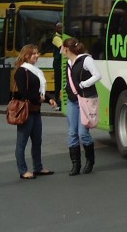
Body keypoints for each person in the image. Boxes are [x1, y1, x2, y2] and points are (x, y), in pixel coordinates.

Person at [12, 44, 57, 179]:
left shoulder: (35, 70)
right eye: (34, 54)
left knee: (37, 141)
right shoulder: (21, 71)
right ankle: (23, 170)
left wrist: (49, 99)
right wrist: (40, 99)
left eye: (37, 53)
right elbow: (24, 92)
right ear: (26, 55)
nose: (37, 56)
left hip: (36, 110)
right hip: (26, 110)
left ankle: (38, 167)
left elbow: (38, 90)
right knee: (22, 142)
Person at [61, 37, 100, 175]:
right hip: (73, 101)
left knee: (83, 133)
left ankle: (90, 159)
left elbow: (97, 75)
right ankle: (75, 164)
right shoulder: (68, 63)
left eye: (62, 48)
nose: (61, 50)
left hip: (86, 99)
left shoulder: (86, 60)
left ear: (66, 48)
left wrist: (83, 84)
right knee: (72, 133)